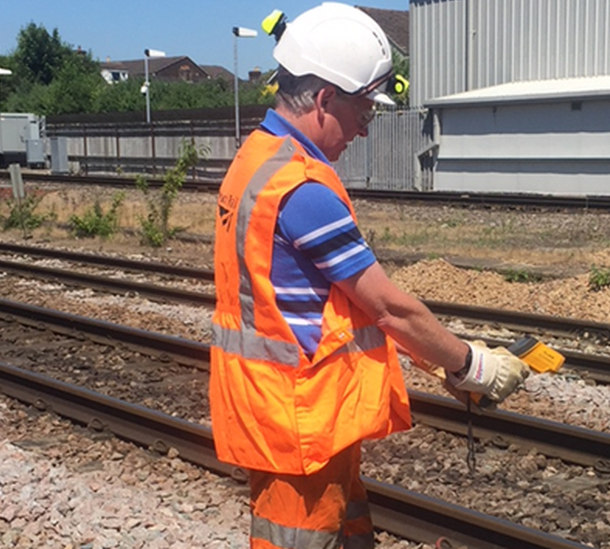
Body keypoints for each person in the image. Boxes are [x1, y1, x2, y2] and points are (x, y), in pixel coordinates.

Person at [209, 3, 530, 548]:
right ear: (325, 99)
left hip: (278, 405)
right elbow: (387, 307)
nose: (364, 130)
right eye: (365, 112)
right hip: (302, 418)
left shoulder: (256, 159)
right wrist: (472, 367)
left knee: (348, 526)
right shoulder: (304, 191)